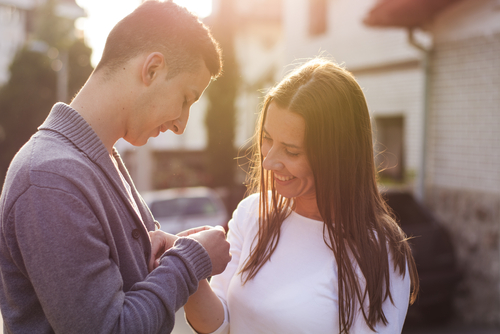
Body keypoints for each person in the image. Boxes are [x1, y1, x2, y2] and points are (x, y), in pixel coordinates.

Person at [0, 1, 231, 333]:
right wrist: (191, 260)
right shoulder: (50, 178)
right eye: (185, 99)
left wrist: (173, 251)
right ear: (152, 69)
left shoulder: (101, 160)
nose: (182, 124)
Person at [183, 58, 419, 334]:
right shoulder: (251, 213)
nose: (269, 162)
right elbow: (220, 324)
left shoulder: (378, 252)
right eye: (267, 138)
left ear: (336, 156)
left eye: (291, 151)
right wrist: (188, 267)